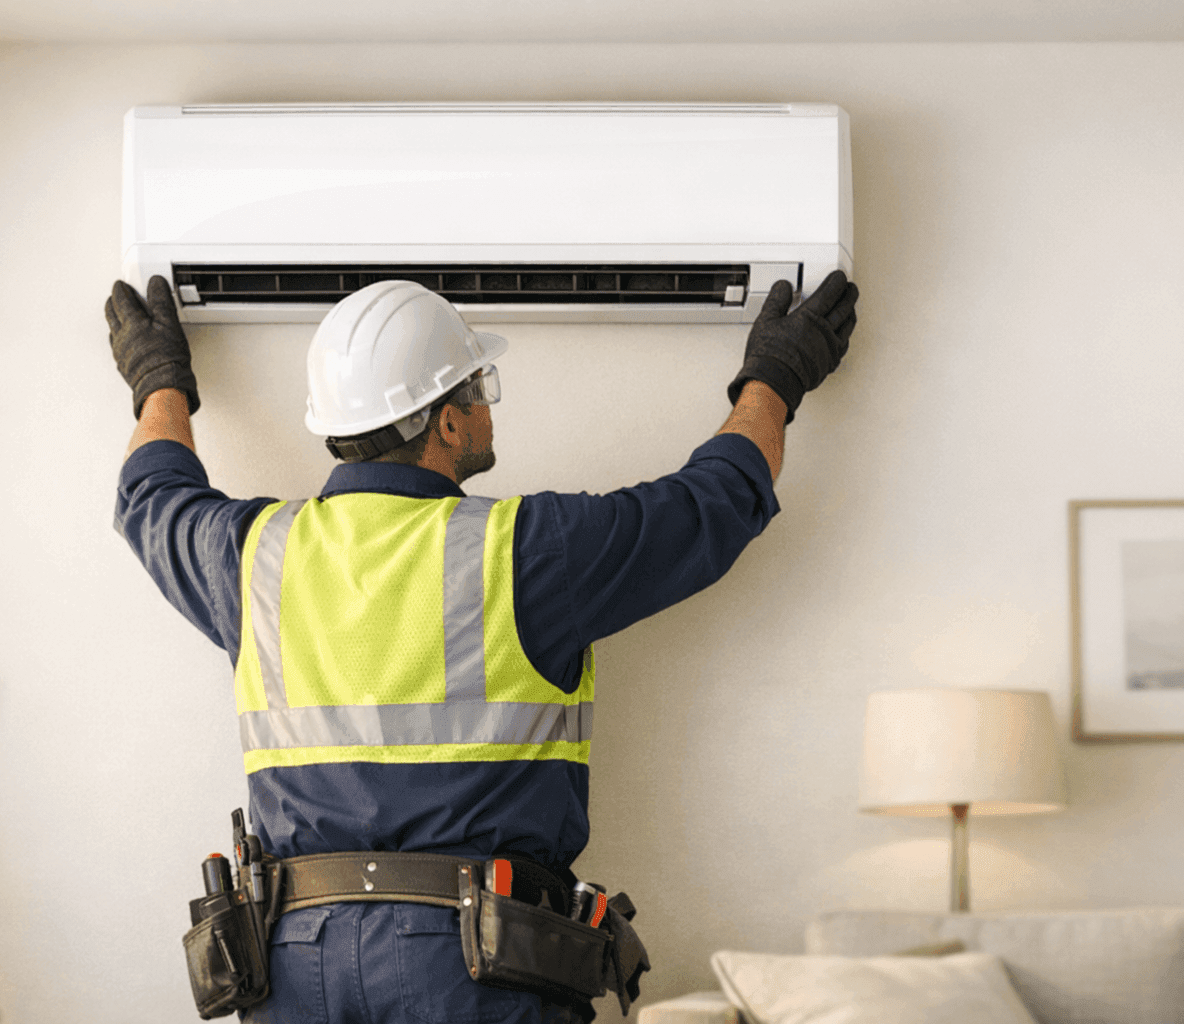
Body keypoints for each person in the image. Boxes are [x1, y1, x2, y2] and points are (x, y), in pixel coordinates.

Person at [106, 271, 858, 1024]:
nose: (485, 406)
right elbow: (713, 503)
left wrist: (158, 379)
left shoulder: (252, 556)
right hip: (478, 963)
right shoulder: (527, 553)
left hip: (299, 961)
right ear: (447, 423)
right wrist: (774, 379)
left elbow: (152, 496)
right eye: (477, 388)